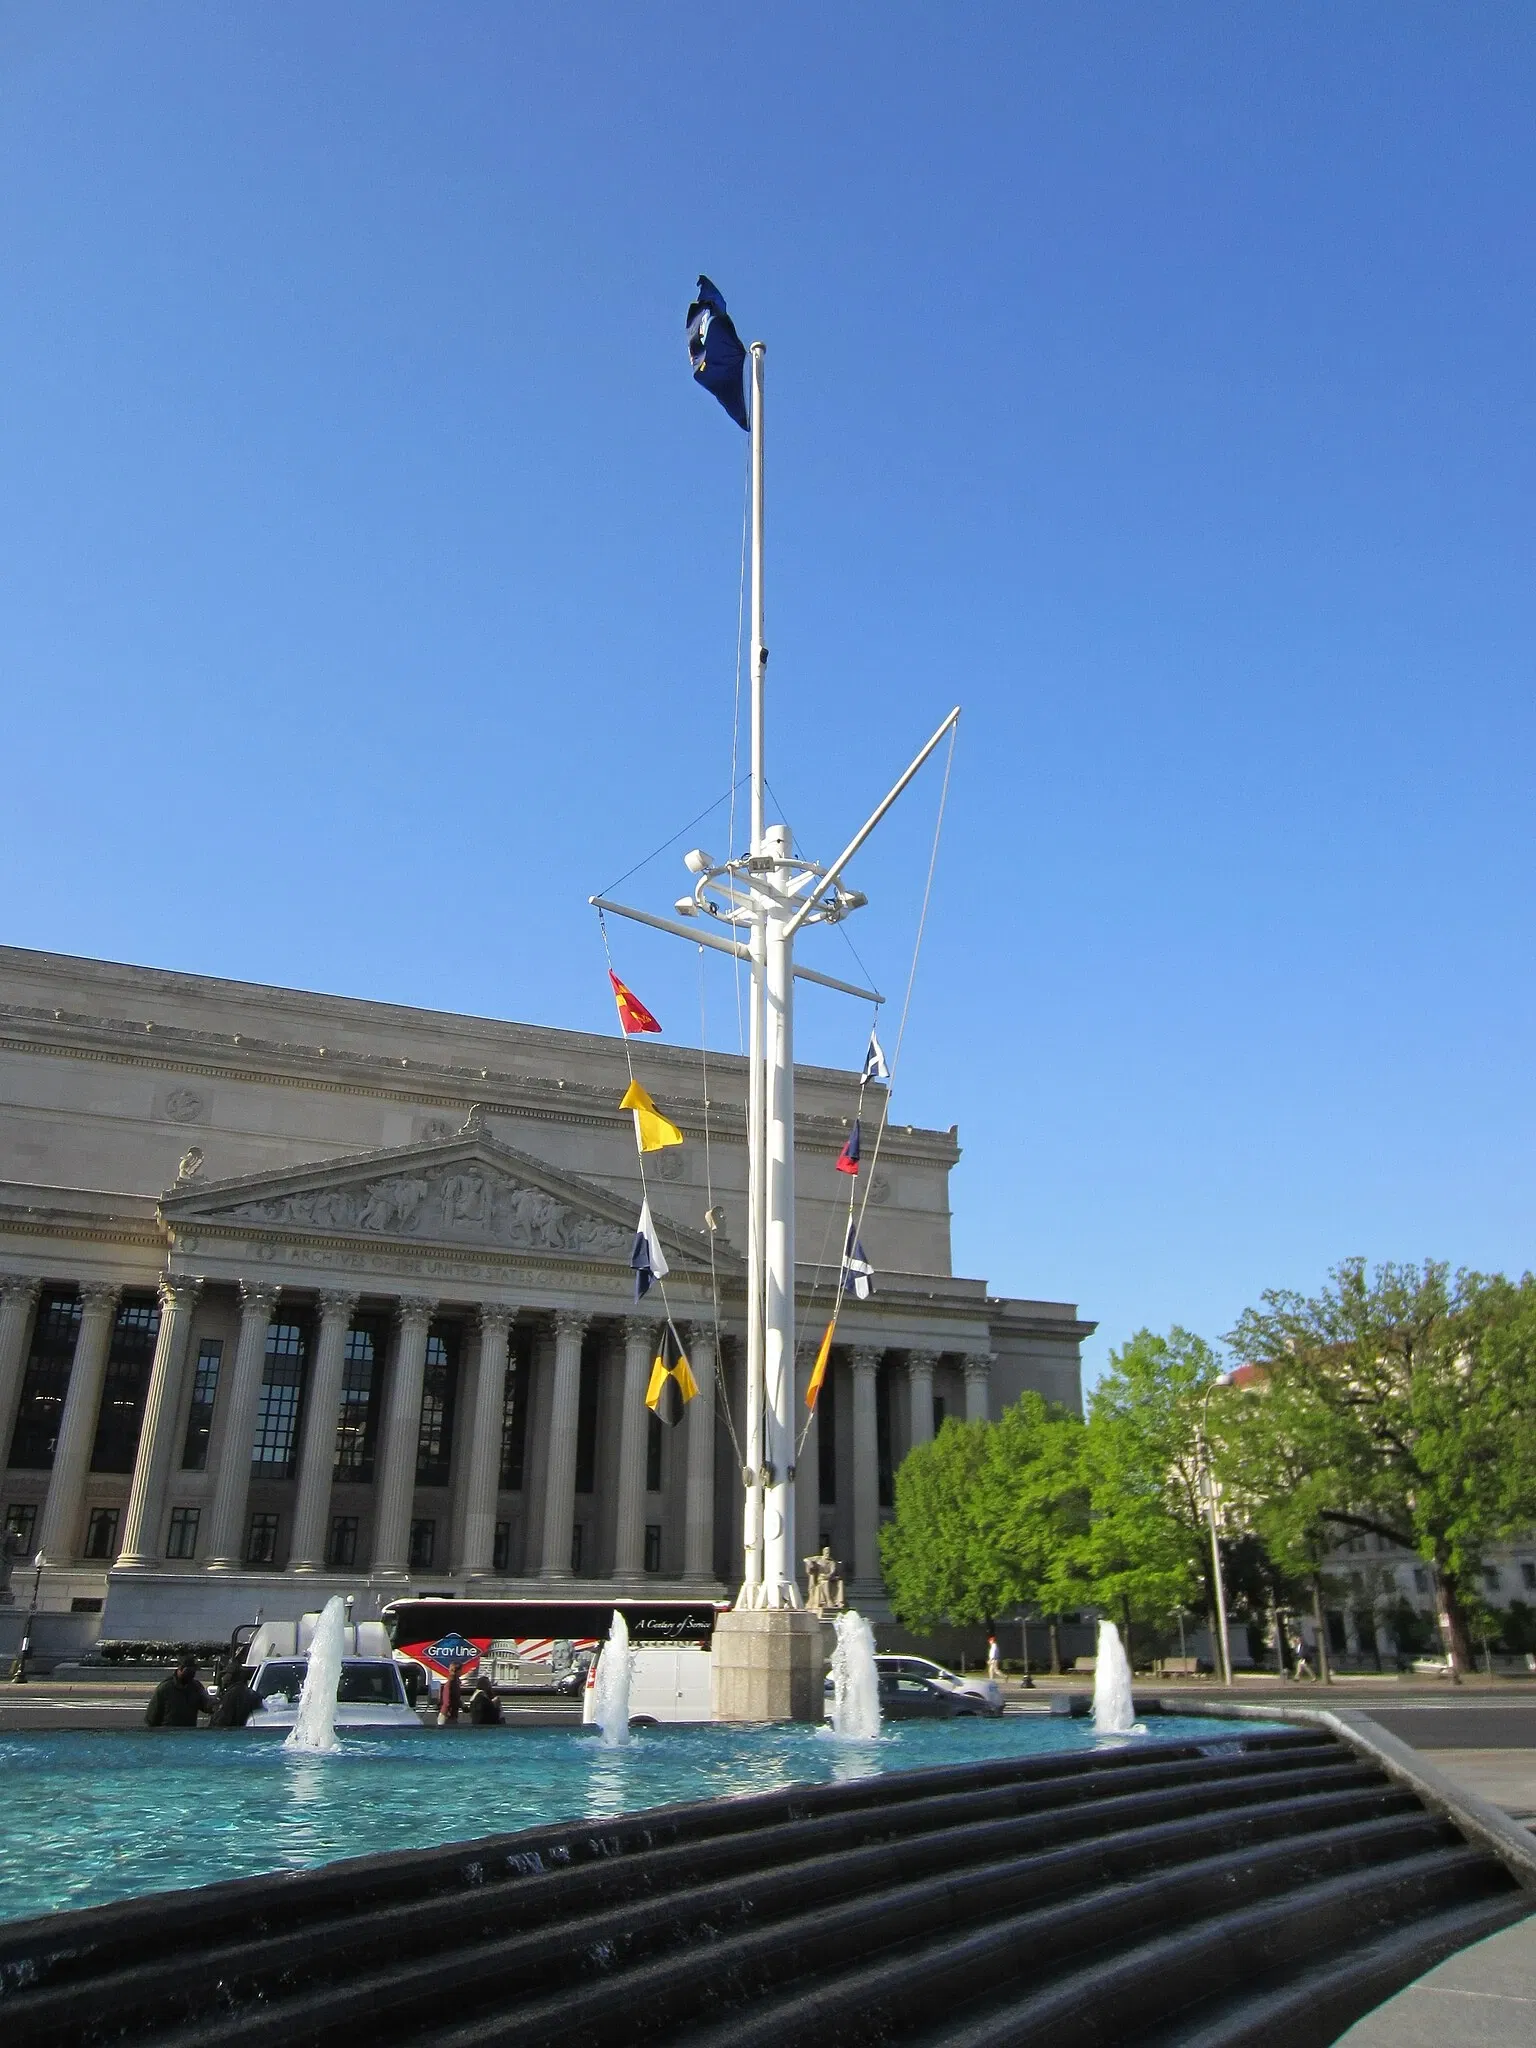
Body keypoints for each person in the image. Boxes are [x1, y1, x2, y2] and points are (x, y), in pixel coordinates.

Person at [144, 1657, 213, 1728]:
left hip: (189, 1733)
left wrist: (216, 1705)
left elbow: (207, 1706)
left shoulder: (196, 1687)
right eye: (190, 1670)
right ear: (180, 1668)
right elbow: (151, 1718)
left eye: (194, 1670)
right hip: (168, 1733)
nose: (193, 1674)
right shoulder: (165, 1688)